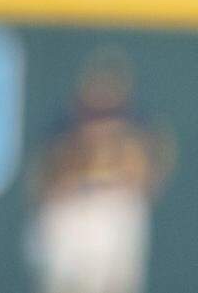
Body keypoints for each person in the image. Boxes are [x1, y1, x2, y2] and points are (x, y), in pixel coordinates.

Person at [27, 47, 173, 293]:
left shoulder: (136, 124)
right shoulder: (64, 124)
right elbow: (42, 173)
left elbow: (157, 161)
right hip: (71, 208)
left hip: (114, 206)